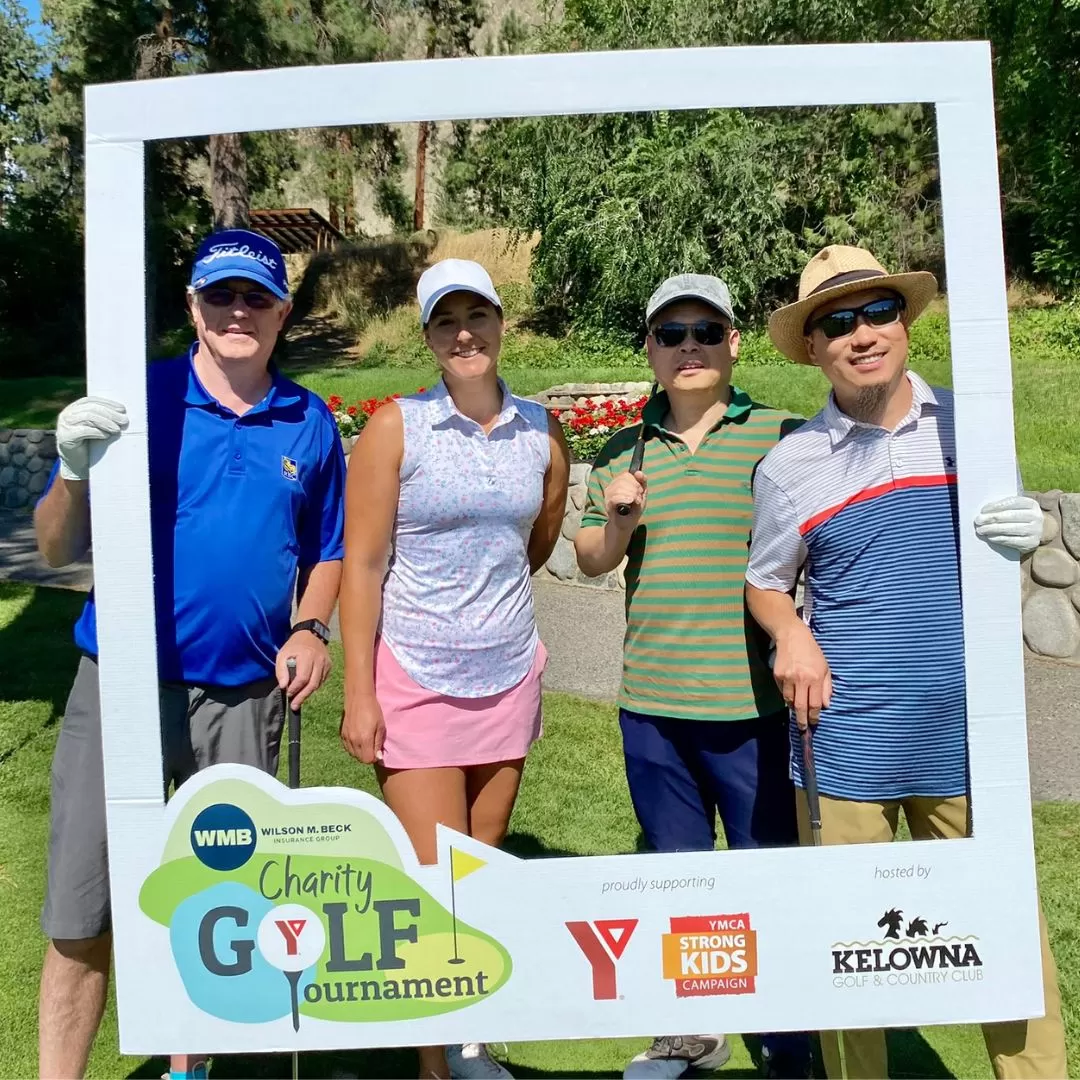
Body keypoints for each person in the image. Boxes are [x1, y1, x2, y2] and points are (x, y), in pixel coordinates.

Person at [744, 244, 1068, 1080]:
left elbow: (1000, 549)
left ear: (906, 324)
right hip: (846, 745)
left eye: (876, 312)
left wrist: (1025, 527)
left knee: (1008, 943)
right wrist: (792, 633)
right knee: (848, 957)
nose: (861, 334)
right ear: (812, 348)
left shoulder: (975, 431)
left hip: (969, 742)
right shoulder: (790, 466)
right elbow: (766, 583)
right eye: (836, 322)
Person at [36, 229, 345, 1080]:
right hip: (121, 686)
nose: (237, 312)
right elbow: (57, 549)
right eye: (220, 296)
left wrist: (311, 627)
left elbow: (329, 550)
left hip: (245, 695)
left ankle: (189, 1068)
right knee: (80, 906)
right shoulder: (139, 402)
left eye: (255, 298)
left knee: (225, 904)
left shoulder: (309, 420)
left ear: (283, 312)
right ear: (193, 308)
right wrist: (71, 472)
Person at [574, 275, 812, 1080]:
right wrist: (616, 518)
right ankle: (691, 1027)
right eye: (670, 335)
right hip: (652, 707)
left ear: (734, 342)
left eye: (705, 331)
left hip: (750, 707)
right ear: (649, 350)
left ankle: (784, 1040)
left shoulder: (784, 438)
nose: (688, 348)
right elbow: (592, 560)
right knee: (678, 875)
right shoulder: (621, 452)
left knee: (762, 873)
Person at [338, 258, 570, 1080]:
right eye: (446, 321)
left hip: (507, 671)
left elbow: (535, 543)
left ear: (504, 325)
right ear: (429, 336)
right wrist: (359, 693)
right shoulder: (395, 426)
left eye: (479, 316)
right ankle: (435, 1063)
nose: (465, 333)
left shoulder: (543, 430)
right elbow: (362, 565)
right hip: (414, 674)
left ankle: (470, 1036)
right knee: (431, 876)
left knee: (484, 860)